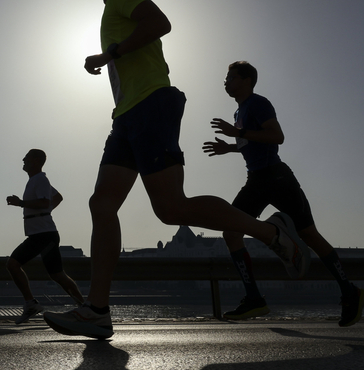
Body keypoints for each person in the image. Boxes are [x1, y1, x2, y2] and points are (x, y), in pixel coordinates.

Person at [42, 0, 311, 339]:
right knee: (103, 203)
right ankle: (96, 311)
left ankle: (271, 233)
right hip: (126, 116)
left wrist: (108, 54)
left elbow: (159, 23)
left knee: (171, 208)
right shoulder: (111, 8)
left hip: (151, 104)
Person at [201, 61, 363, 327]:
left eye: (230, 76)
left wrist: (238, 133)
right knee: (231, 232)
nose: (225, 81)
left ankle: (349, 291)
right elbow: (251, 142)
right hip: (256, 180)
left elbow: (277, 136)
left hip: (277, 178)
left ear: (247, 80)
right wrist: (229, 147)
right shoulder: (240, 111)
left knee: (310, 234)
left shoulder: (258, 103)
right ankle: (254, 298)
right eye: (226, 77)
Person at [6, 149, 85, 324]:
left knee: (13, 264)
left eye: (26, 157)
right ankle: (83, 306)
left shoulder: (40, 179)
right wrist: (46, 211)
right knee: (57, 274)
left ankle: (31, 304)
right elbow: (57, 197)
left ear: (35, 161)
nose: (23, 160)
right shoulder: (37, 180)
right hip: (41, 233)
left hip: (43, 234)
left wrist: (21, 203)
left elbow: (44, 202)